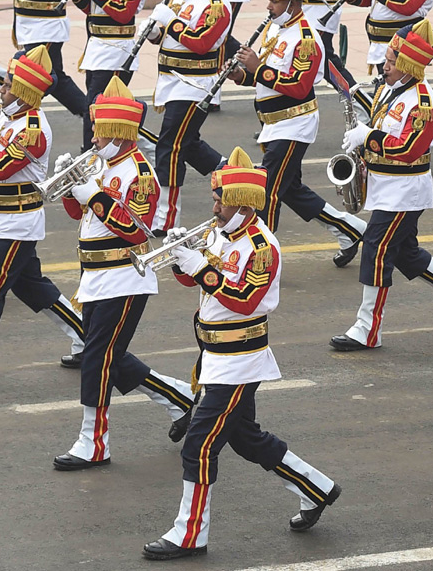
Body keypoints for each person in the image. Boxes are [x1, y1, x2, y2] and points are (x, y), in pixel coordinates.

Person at [142, 148, 341, 560]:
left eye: (220, 199)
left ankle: (189, 534)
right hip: (214, 356)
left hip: (239, 360)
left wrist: (200, 268)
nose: (213, 205)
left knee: (198, 447)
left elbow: (244, 300)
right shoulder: (221, 232)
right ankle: (316, 488)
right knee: (247, 440)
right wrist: (181, 258)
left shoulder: (261, 246)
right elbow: (198, 285)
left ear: (241, 202)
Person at [52, 77, 195, 472]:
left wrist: (93, 196)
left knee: (97, 358)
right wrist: (70, 188)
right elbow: (79, 215)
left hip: (124, 276)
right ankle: (179, 397)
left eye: (99, 130)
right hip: (95, 275)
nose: (93, 137)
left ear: (117, 131)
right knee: (108, 354)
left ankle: (93, 442)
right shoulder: (101, 163)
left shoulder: (140, 173)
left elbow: (136, 229)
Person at [332, 19, 433, 351]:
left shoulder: (423, 102)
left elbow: (408, 148)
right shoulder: (389, 88)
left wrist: (368, 137)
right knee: (406, 254)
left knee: (375, 250)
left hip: (404, 192)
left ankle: (367, 328)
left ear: (407, 66)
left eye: (390, 62)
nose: (383, 66)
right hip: (384, 186)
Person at [229, 0, 365, 261]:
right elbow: (266, 78)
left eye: (274, 1)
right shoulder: (277, 30)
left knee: (267, 191)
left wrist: (258, 68)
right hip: (273, 122)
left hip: (294, 124)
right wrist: (242, 75)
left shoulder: (306, 37)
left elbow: (298, 86)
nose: (268, 6)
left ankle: (260, 257)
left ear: (292, 2)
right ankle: (349, 229)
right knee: (290, 189)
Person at [0, 47, 85, 386]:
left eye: (8, 84)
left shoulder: (33, 128)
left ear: (24, 92)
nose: (1, 88)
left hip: (16, 223)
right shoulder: (3, 115)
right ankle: (87, 336)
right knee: (32, 288)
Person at [143, 0, 231, 233]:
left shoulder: (217, 3)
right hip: (172, 82)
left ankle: (166, 219)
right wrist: (155, 31)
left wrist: (173, 22)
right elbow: (170, 37)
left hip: (194, 86)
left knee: (170, 146)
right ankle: (233, 175)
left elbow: (201, 42)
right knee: (187, 144)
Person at [68, 0, 148, 151]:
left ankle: (91, 153)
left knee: (97, 107)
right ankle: (105, 151)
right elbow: (91, 10)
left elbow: (123, 14)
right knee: (96, 107)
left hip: (116, 51)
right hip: (96, 47)